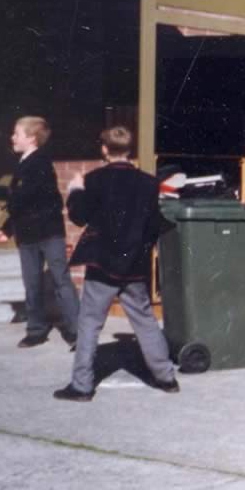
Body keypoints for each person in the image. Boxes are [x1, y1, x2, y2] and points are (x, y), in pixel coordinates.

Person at [52, 127, 178, 402]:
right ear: (129, 150)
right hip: (134, 264)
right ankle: (166, 377)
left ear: (105, 150)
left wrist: (74, 190)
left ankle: (82, 386)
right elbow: (153, 224)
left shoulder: (94, 179)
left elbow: (79, 217)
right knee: (145, 320)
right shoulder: (148, 182)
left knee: (90, 323)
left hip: (102, 264)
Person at [0, 116, 79, 349]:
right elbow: (21, 204)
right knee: (32, 282)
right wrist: (6, 229)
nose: (12, 137)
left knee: (61, 279)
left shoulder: (40, 162)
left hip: (49, 233)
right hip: (28, 234)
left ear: (31, 138)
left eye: (16, 133)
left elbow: (26, 196)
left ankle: (76, 331)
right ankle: (36, 330)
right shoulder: (23, 162)